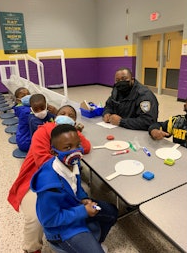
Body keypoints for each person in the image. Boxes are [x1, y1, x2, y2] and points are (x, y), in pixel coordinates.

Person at [8, 105, 92, 253]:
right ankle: (32, 248)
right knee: (35, 217)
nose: (66, 116)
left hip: (64, 178)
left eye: (71, 115)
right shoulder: (42, 132)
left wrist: (75, 133)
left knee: (85, 191)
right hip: (37, 180)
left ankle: (73, 229)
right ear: (55, 116)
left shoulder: (71, 134)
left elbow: (86, 147)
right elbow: (42, 162)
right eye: (63, 113)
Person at [30, 124, 118, 253]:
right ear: (54, 152)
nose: (75, 151)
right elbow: (49, 220)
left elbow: (76, 187)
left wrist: (83, 199)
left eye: (78, 145)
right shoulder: (49, 187)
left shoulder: (72, 163)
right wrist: (83, 211)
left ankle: (95, 243)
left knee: (111, 212)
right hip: (61, 229)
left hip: (75, 208)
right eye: (67, 147)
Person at [13, 87, 33, 152]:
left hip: (22, 139)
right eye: (23, 96)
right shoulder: (25, 110)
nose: (27, 96)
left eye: (28, 94)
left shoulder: (20, 107)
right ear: (18, 100)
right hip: (26, 142)